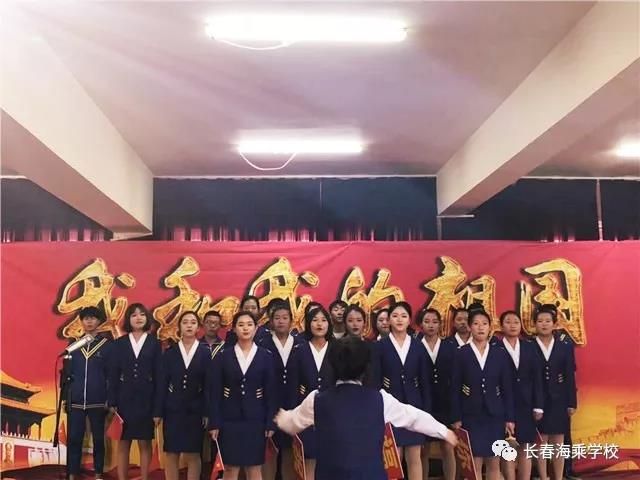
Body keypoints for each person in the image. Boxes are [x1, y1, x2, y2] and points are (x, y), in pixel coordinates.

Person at [275, 336, 458, 480]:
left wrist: (279, 416)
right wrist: (443, 431)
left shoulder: (316, 400)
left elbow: (290, 423)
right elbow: (413, 417)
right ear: (365, 367)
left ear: (332, 365)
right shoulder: (380, 399)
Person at [209, 311, 278, 480]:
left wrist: (271, 421)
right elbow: (215, 391)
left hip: (256, 419)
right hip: (229, 419)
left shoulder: (265, 356)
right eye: (241, 325)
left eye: (249, 324)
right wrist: (214, 421)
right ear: (234, 329)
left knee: (254, 468)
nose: (245, 328)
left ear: (256, 328)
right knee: (230, 468)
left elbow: (271, 392)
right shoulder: (224, 356)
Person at [450, 309, 515, 480]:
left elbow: (507, 388)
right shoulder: (461, 353)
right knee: (475, 463)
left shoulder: (499, 353)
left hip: (495, 415)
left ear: (490, 327)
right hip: (470, 415)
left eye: (484, 324)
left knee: (494, 463)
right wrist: (456, 417)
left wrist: (509, 418)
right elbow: (455, 387)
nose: (480, 327)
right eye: (476, 324)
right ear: (470, 327)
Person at [375, 302, 430, 480]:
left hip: (414, 407)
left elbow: (425, 382)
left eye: (404, 316)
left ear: (409, 320)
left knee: (414, 456)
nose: (399, 320)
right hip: (390, 408)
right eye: (395, 316)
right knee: (393, 458)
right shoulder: (380, 346)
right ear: (389, 320)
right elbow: (375, 381)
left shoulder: (418, 346)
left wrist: (426, 412)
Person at [154, 311, 210, 480]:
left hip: (195, 409)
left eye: (193, 322)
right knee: (172, 452)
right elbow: (162, 384)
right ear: (179, 327)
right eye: (185, 322)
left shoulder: (205, 352)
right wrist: (158, 411)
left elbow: (209, 386)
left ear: (198, 327)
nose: (189, 326)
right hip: (173, 409)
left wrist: (207, 412)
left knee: (193, 453)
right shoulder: (170, 352)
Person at [109, 303, 161, 480]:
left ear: (147, 318)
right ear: (128, 320)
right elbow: (113, 374)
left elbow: (159, 377)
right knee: (124, 443)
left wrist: (157, 409)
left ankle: (144, 477)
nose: (138, 318)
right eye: (134, 315)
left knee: (145, 443)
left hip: (147, 400)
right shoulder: (120, 343)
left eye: (142, 314)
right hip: (124, 399)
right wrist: (112, 401)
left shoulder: (154, 343)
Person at [288, 306, 335, 480]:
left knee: (331, 457)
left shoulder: (337, 348)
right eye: (315, 320)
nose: (319, 324)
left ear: (329, 324)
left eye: (323, 320)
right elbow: (292, 384)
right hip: (305, 411)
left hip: (332, 411)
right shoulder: (299, 350)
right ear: (308, 324)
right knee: (308, 456)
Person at [258, 302, 304, 480]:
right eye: (277, 318)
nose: (281, 321)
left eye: (285, 318)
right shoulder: (263, 344)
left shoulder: (300, 343)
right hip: (269, 403)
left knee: (289, 450)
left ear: (291, 321)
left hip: (293, 403)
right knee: (269, 450)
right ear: (271, 321)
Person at [66, 306, 112, 480]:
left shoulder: (107, 346)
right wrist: (66, 398)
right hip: (76, 401)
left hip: (98, 401)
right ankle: (72, 474)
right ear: (82, 322)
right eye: (86, 318)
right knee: (74, 440)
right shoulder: (74, 346)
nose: (89, 321)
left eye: (93, 318)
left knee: (99, 440)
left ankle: (98, 474)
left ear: (99, 321)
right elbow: (67, 374)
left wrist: (109, 399)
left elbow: (111, 375)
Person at [497, 310, 543, 480]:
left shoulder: (529, 347)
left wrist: (538, 405)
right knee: (508, 448)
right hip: (503, 405)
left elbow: (537, 377)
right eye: (508, 322)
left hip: (526, 405)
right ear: (501, 326)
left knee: (525, 446)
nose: (512, 325)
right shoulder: (495, 348)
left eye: (516, 322)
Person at [533, 304, 577, 480]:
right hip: (537, 401)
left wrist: (572, 402)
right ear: (534, 324)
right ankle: (544, 477)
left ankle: (558, 477)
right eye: (540, 321)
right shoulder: (529, 346)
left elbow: (569, 376)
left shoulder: (563, 346)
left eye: (547, 321)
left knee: (559, 442)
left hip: (559, 399)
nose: (544, 324)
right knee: (542, 443)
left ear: (554, 324)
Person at [416, 307, 457, 480]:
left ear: (440, 324)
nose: (431, 325)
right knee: (423, 449)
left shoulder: (449, 347)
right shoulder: (415, 347)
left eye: (434, 322)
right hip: (423, 404)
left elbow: (455, 379)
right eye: (427, 322)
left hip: (445, 404)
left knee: (447, 446)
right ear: (421, 324)